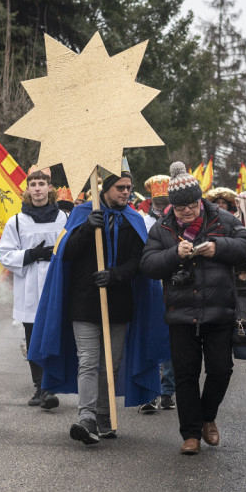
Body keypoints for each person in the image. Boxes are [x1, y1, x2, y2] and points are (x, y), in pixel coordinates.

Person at [29, 167, 164, 446]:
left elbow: (139, 261)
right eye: (120, 188)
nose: (126, 192)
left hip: (118, 303)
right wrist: (88, 228)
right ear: (106, 190)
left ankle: (104, 414)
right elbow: (65, 253)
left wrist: (115, 275)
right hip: (84, 302)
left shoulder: (133, 219)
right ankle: (86, 417)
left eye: (129, 187)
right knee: (88, 360)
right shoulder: (82, 215)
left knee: (110, 364)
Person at [141, 162, 246, 455]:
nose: (187, 213)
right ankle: (191, 434)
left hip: (219, 311)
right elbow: (148, 265)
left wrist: (218, 248)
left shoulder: (223, 219)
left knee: (221, 370)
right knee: (185, 375)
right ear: (172, 207)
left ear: (199, 199)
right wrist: (173, 254)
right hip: (180, 313)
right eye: (180, 209)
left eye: (192, 206)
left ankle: (207, 417)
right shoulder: (162, 227)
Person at [0, 167, 68, 408]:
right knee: (34, 337)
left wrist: (58, 257)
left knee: (54, 336)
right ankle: (40, 387)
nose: (37, 188)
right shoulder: (16, 221)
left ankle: (51, 384)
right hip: (29, 289)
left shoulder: (63, 218)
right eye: (33, 184)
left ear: (50, 188)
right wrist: (31, 254)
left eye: (42, 183)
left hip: (55, 286)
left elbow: (72, 249)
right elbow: (4, 254)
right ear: (27, 189)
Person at [138, 174, 176, 413]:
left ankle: (167, 391)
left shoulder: (177, 220)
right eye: (158, 199)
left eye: (165, 199)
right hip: (148, 283)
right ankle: (149, 391)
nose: (161, 204)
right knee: (149, 338)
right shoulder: (140, 219)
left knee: (171, 339)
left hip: (172, 284)